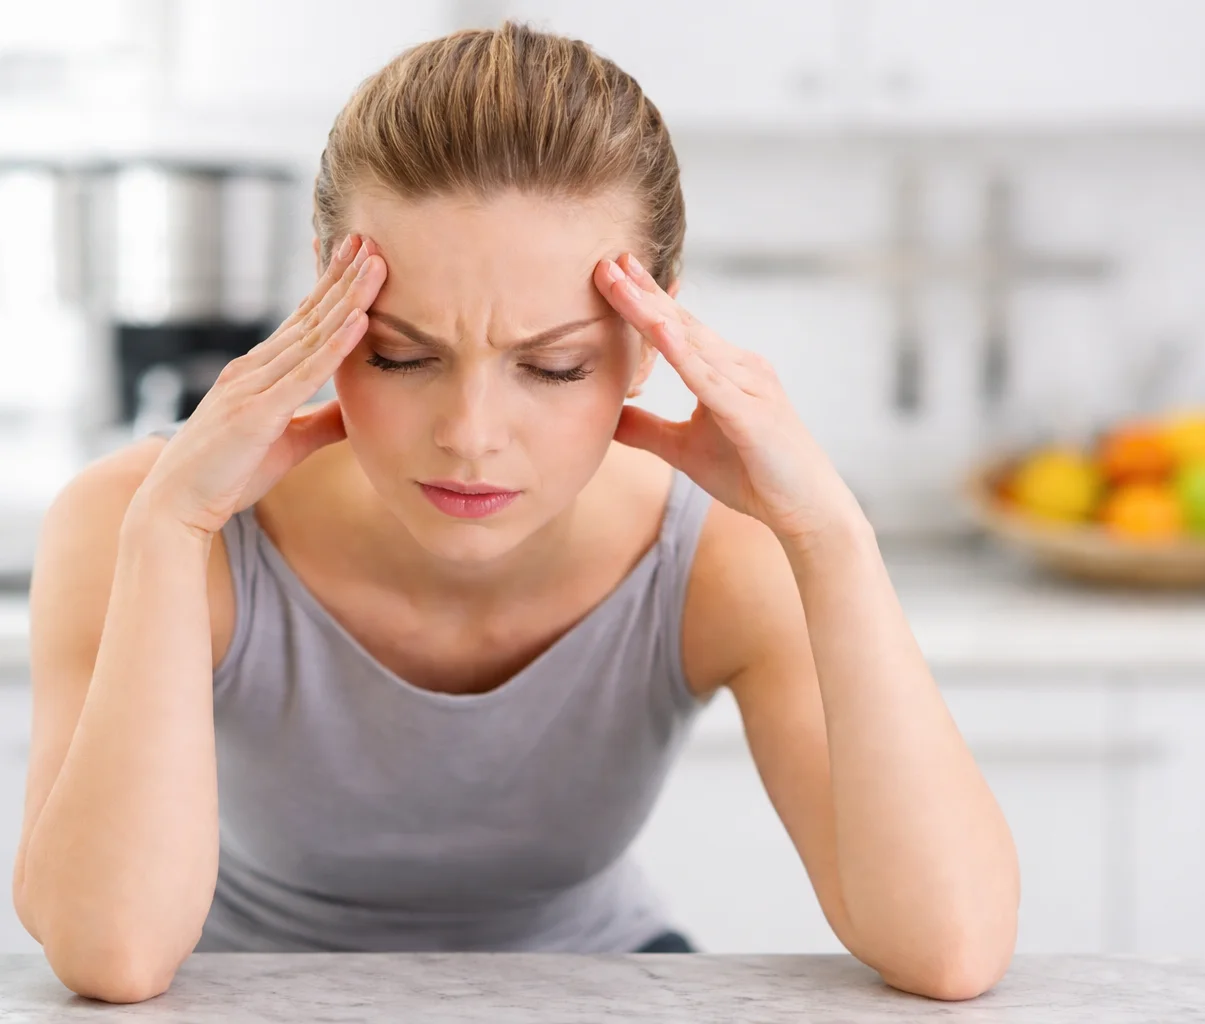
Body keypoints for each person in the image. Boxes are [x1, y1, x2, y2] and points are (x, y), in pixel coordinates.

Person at [11, 21, 1019, 1004]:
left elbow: (950, 949)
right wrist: (170, 532)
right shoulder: (144, 517)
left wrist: (830, 537)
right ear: (327, 295)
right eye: (402, 355)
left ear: (652, 331)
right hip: (242, 987)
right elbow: (115, 956)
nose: (470, 435)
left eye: (554, 366)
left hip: (598, 983)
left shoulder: (718, 549)